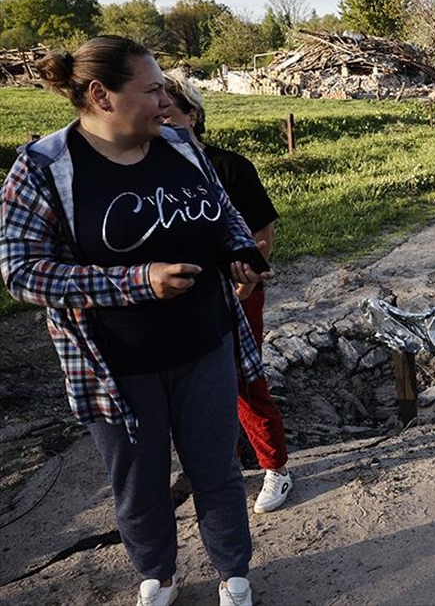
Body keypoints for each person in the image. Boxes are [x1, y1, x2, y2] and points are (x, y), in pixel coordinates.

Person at [0, 35, 270, 606]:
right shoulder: (45, 167)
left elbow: (223, 215)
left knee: (217, 473)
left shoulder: (180, 145)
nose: (165, 103)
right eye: (151, 91)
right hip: (115, 367)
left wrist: (241, 253)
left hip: (207, 345)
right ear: (101, 96)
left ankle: (234, 576)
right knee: (139, 485)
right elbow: (20, 272)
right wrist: (136, 282)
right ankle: (159, 576)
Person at [162, 70, 292, 515]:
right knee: (192, 390)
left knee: (243, 380)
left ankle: (275, 465)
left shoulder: (230, 167)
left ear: (193, 115)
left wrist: (241, 286)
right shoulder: (151, 174)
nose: (160, 125)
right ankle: (223, 464)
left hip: (235, 294)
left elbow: (261, 237)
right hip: (177, 300)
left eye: (169, 114)